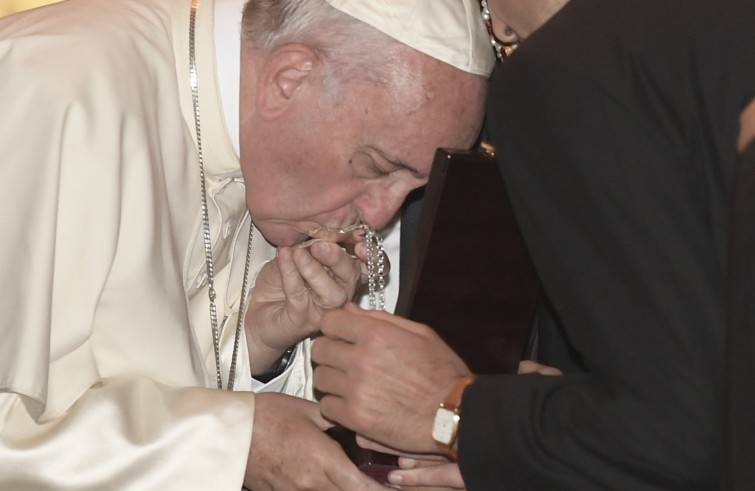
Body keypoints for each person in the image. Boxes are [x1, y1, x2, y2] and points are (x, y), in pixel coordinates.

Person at [0, 0, 492, 489]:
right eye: (378, 167)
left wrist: (258, 343)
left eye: (412, 189)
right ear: (289, 79)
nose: (382, 216)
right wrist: (231, 443)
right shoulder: (43, 86)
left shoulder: (260, 150)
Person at [312, 0, 755, 489]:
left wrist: (451, 409)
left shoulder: (577, 68)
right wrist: (557, 417)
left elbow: (678, 438)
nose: (496, 30)